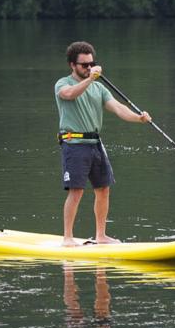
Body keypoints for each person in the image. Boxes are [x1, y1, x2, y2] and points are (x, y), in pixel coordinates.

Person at [55, 41, 151, 246]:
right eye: (84, 65)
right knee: (77, 190)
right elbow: (70, 95)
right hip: (74, 143)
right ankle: (67, 238)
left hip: (95, 143)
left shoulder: (99, 88)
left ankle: (100, 235)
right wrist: (90, 79)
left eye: (92, 64)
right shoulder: (63, 83)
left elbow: (117, 108)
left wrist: (139, 118)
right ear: (73, 65)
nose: (89, 68)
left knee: (103, 189)